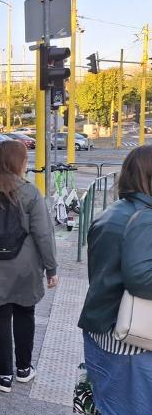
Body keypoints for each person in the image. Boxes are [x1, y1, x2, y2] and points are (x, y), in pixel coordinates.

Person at [0, 140, 58, 393]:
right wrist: (51, 268)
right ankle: (24, 369)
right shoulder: (29, 192)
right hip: (25, 265)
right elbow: (43, 234)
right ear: (19, 162)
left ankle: (4, 375)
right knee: (26, 313)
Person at [78, 145, 152, 414]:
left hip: (100, 329)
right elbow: (141, 279)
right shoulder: (145, 218)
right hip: (132, 340)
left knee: (105, 403)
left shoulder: (111, 212)